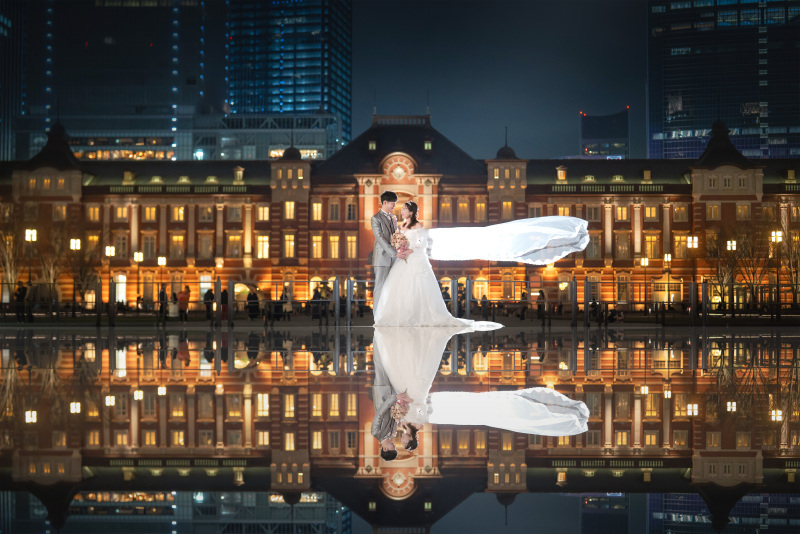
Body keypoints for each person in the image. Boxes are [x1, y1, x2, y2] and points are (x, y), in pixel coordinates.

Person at [376, 326, 589, 438]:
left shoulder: (406, 422)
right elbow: (419, 411)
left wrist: (404, 406)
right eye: (404, 439)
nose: (400, 437)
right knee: (486, 405)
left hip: (443, 406)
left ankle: (553, 406)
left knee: (479, 404)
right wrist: (407, 406)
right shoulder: (414, 423)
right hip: (444, 409)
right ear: (410, 436)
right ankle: (552, 407)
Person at [373, 201, 501, 329]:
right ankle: (400, 314)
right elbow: (401, 240)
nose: (402, 211)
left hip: (414, 257)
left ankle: (418, 314)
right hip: (403, 259)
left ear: (411, 212)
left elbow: (422, 244)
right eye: (402, 209)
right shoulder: (402, 225)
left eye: (405, 209)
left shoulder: (417, 225)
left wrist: (409, 250)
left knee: (417, 285)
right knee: (400, 286)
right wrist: (399, 246)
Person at [370, 336, 413, 461]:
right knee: (391, 366)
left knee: (379, 364)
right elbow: (395, 415)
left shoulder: (375, 432)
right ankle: (390, 338)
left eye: (392, 447)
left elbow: (380, 413)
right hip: (392, 394)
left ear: (385, 449)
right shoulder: (393, 433)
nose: (395, 445)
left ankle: (377, 337)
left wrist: (395, 398)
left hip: (382, 392)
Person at [370, 190, 410, 316]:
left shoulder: (393, 218)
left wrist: (402, 243)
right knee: (380, 287)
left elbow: (396, 234)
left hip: (394, 259)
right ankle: (377, 316)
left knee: (391, 287)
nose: (394, 206)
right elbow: (380, 238)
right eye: (392, 203)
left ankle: (388, 314)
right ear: (385, 202)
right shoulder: (375, 218)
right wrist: (395, 253)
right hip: (382, 258)